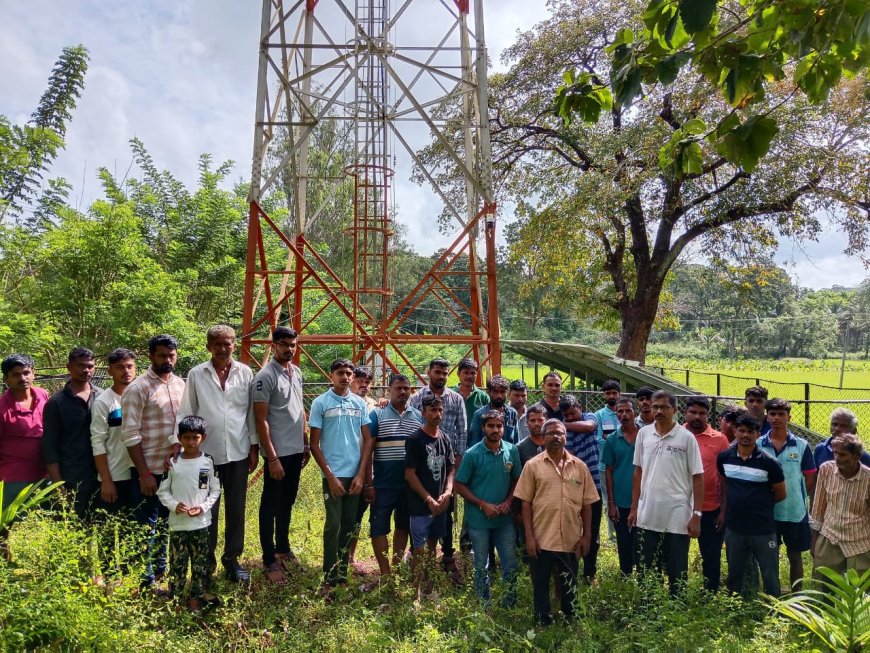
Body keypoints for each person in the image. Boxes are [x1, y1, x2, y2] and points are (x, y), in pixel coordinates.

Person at [174, 325, 257, 584]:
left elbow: (250, 413)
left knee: (236, 509)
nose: (223, 348)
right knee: (204, 508)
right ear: (209, 346)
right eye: (217, 344)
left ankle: (232, 559)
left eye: (227, 343)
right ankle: (205, 564)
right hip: (205, 459)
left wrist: (254, 447)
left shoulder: (245, 373)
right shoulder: (197, 374)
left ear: (234, 345)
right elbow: (187, 412)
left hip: (238, 453)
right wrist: (182, 448)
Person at [514, 419, 597, 626]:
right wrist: (529, 537)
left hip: (571, 538)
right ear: (543, 438)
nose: (556, 437)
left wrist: (587, 536)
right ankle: (542, 620)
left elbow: (587, 505)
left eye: (560, 433)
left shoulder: (580, 467)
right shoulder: (532, 466)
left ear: (566, 437)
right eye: (550, 433)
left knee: (569, 583)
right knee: (540, 583)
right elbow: (525, 503)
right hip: (541, 538)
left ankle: (570, 619)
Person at [122, 334, 186, 589]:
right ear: (151, 356)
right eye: (162, 355)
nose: (167, 360)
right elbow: (130, 435)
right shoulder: (138, 388)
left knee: (165, 523)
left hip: (174, 470)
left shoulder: (180, 384)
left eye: (171, 355)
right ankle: (144, 582)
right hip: (148, 470)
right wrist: (144, 474)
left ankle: (160, 571)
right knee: (145, 526)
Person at [628, 390, 704, 595]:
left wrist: (696, 514)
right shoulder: (644, 434)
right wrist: (634, 508)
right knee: (646, 570)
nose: (659, 411)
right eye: (655, 407)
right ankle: (648, 607)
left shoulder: (686, 438)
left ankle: (677, 607)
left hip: (677, 516)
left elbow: (698, 477)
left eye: (664, 407)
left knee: (677, 571)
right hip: (647, 514)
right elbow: (638, 472)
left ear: (675, 410)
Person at [309, 359, 373, 598]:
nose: (345, 377)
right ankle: (329, 576)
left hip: (354, 476)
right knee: (333, 525)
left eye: (348, 373)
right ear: (331, 375)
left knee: (349, 525)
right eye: (340, 373)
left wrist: (361, 475)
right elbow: (314, 444)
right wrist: (330, 476)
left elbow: (368, 440)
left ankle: (342, 575)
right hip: (333, 476)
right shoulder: (321, 403)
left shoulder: (359, 404)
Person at [252, 326, 308, 586]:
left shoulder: (296, 372)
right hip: (278, 453)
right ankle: (268, 559)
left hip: (296, 450)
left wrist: (305, 442)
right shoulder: (265, 376)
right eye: (284, 344)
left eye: (293, 345)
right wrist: (272, 458)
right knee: (271, 505)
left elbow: (299, 409)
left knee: (288, 501)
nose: (289, 349)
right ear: (273, 345)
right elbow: (261, 420)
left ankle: (283, 549)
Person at [455, 410, 521, 607]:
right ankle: (484, 605)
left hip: (504, 520)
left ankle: (509, 603)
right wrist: (482, 504)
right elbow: (459, 485)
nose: (495, 430)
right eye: (490, 426)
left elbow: (517, 479)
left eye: (499, 426)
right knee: (481, 565)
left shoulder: (511, 450)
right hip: (479, 521)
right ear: (483, 428)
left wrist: (508, 502)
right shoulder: (472, 454)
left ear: (504, 428)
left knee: (510, 563)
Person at [409, 358, 466, 583]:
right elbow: (413, 427)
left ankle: (447, 557)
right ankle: (416, 570)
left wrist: (454, 469)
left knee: (445, 516)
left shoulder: (456, 399)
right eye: (437, 372)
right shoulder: (417, 398)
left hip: (445, 467)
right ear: (428, 372)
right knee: (420, 521)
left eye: (444, 373)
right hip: (422, 465)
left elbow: (462, 431)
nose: (441, 376)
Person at [156, 416, 221, 612]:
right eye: (187, 438)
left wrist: (202, 507)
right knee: (177, 562)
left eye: (195, 437)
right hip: (178, 524)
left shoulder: (207, 462)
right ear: (179, 438)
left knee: (200, 562)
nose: (191, 442)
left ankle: (196, 597)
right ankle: (175, 597)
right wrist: (175, 505)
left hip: (201, 523)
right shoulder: (172, 463)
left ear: (203, 438)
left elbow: (214, 490)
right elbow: (162, 491)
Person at [717, 414, 786, 597]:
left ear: (757, 434)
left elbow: (781, 494)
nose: (745, 435)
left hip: (762, 529)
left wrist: (758, 505)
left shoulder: (770, 463)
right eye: (741, 431)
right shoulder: (724, 458)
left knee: (770, 574)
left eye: (750, 431)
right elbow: (724, 486)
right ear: (735, 432)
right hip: (735, 527)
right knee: (735, 572)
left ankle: (775, 607)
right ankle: (735, 605)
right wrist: (724, 513)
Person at [366, 373, 421, 586]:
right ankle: (385, 574)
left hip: (408, 485)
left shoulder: (418, 416)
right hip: (382, 484)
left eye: (406, 388)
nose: (403, 392)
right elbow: (368, 450)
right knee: (378, 527)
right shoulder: (377, 415)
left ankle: (396, 572)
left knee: (403, 526)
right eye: (398, 388)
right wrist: (369, 483)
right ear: (389, 390)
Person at [757, 398, 816, 591]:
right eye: (772, 414)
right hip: (768, 513)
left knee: (795, 556)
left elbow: (809, 476)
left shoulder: (801, 445)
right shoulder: (758, 444)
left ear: (789, 417)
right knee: (769, 556)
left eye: (781, 414)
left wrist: (796, 496)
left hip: (795, 512)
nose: (776, 418)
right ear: (767, 417)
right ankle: (772, 595)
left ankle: (797, 596)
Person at [42, 347, 102, 519]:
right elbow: (49, 446)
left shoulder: (103, 396)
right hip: (71, 477)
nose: (86, 370)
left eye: (90, 366)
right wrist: (58, 485)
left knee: (102, 526)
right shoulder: (56, 403)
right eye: (80, 366)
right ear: (69, 367)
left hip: (102, 476)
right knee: (72, 525)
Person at [405, 394, 455, 600]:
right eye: (433, 410)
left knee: (433, 548)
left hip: (440, 504)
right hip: (420, 505)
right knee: (419, 550)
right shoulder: (415, 440)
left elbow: (451, 469)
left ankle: (428, 590)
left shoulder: (445, 439)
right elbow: (410, 474)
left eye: (440, 410)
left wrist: (448, 492)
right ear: (423, 413)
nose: (438, 414)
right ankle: (414, 594)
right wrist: (427, 499)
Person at [684, 396, 729, 591]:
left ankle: (710, 593)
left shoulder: (719, 439)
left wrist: (723, 511)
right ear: (685, 413)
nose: (697, 416)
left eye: (702, 413)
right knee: (676, 554)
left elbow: (725, 478)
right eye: (693, 412)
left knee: (711, 556)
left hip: (710, 508)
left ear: (708, 415)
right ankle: (677, 592)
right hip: (680, 506)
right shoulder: (676, 435)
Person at [809, 434, 870, 579]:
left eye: (843, 454)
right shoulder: (826, 470)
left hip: (859, 541)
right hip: (830, 537)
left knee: (858, 588)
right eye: (835, 453)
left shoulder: (867, 478)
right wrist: (814, 541)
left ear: (857, 456)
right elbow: (818, 507)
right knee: (826, 584)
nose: (837, 458)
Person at [90, 348, 138, 513]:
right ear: (110, 371)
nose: (126, 371)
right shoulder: (103, 402)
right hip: (116, 476)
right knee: (111, 526)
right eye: (119, 367)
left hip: (140, 474)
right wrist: (106, 481)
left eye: (129, 366)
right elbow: (97, 442)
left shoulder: (144, 397)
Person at [0, 354, 49, 511]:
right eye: (16, 375)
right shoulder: (2, 407)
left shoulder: (42, 395)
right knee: (15, 522)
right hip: (15, 479)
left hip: (46, 474)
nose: (22, 378)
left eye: (26, 373)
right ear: (6, 379)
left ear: (33, 373)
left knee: (47, 519)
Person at [563, 396, 604, 580]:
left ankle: (589, 573)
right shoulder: (566, 433)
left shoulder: (590, 417)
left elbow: (589, 427)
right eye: (567, 415)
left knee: (592, 533)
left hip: (594, 486)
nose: (571, 417)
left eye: (573, 413)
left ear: (580, 407)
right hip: (574, 487)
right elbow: (570, 457)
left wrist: (565, 424)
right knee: (572, 531)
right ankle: (570, 572)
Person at [602, 397, 639, 575]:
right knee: (624, 541)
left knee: (642, 543)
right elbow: (608, 471)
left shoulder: (646, 436)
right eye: (620, 411)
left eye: (628, 411)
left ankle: (644, 577)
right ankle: (626, 576)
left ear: (635, 413)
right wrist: (611, 503)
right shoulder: (612, 440)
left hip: (644, 500)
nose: (624, 414)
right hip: (621, 499)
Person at [595, 380, 621, 543]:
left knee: (623, 500)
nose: (611, 396)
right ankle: (613, 536)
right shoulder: (598, 415)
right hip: (604, 466)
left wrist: (608, 437)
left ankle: (625, 531)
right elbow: (597, 439)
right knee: (608, 501)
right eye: (608, 393)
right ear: (604, 395)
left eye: (614, 393)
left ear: (619, 394)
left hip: (624, 466)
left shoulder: (625, 412)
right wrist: (618, 440)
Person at [468, 375, 519, 448]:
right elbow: (474, 442)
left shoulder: (512, 413)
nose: (499, 396)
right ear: (489, 392)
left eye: (502, 392)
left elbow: (516, 441)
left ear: (507, 393)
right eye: (495, 392)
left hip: (508, 454)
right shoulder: (479, 414)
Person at [452, 358, 489, 430]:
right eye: (466, 373)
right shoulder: (450, 396)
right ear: (458, 374)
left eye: (473, 373)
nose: (469, 376)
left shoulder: (483, 397)